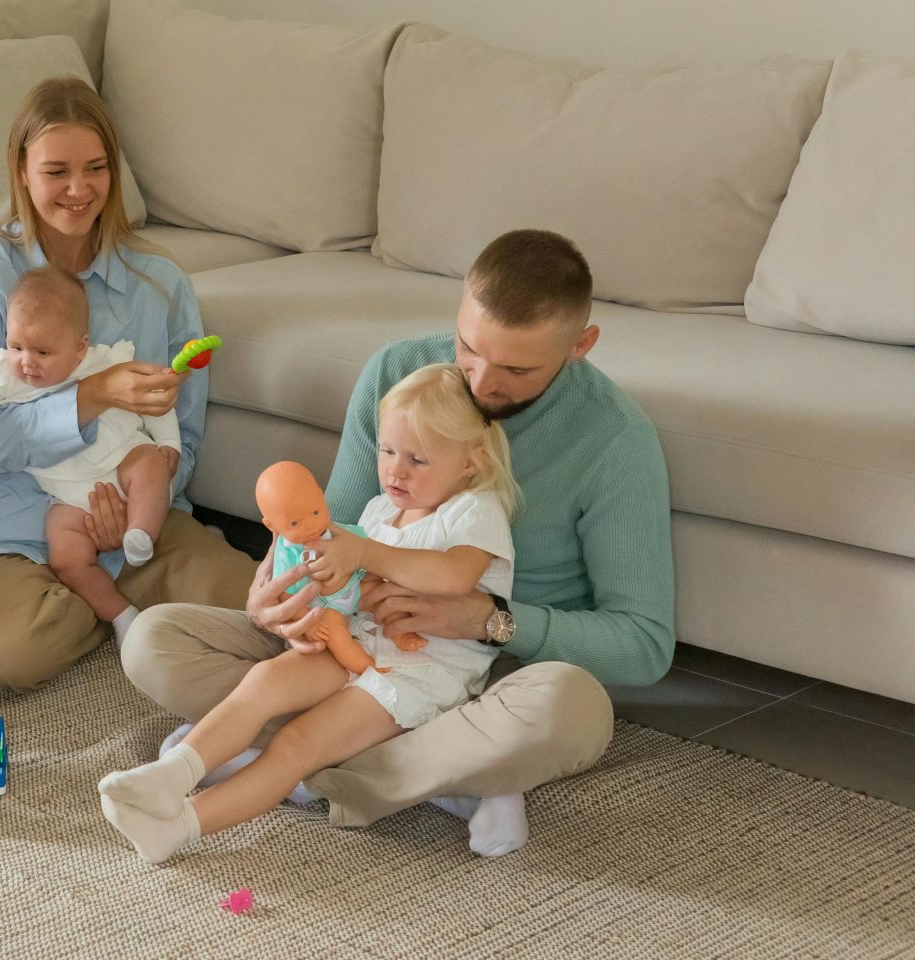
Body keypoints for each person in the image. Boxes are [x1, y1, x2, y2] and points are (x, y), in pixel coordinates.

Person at [121, 229, 674, 857]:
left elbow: (644, 645)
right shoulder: (397, 373)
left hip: (485, 675)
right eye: (468, 348)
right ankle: (438, 778)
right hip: (358, 645)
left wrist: (490, 620)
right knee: (154, 642)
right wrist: (273, 600)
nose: (480, 383)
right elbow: (331, 531)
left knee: (569, 710)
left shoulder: (615, 440)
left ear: (581, 345)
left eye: (516, 369)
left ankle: (291, 762)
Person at [99, 364, 519, 863]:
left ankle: (182, 826)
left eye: (418, 459)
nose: (396, 471)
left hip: (422, 672)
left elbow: (454, 576)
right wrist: (318, 587)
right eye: (387, 451)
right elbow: (364, 589)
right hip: (357, 643)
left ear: (472, 461)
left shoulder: (475, 509)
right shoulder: (380, 511)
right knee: (264, 682)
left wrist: (364, 555)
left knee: (297, 744)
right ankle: (170, 777)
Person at [0, 77, 256, 692]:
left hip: (133, 525)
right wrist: (92, 395)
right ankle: (113, 605)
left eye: (96, 168)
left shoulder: (159, 284)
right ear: (21, 172)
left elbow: (183, 435)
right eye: (57, 171)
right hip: (3, 529)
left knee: (255, 605)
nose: (79, 190)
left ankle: (118, 594)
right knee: (11, 655)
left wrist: (135, 510)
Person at [0, 265, 177, 643]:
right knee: (67, 558)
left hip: (122, 461)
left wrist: (169, 444)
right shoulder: (7, 374)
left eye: (42, 352)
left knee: (151, 465)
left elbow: (156, 401)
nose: (26, 361)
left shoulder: (106, 362)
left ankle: (141, 533)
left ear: (79, 347)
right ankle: (121, 616)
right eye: (16, 346)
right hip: (69, 495)